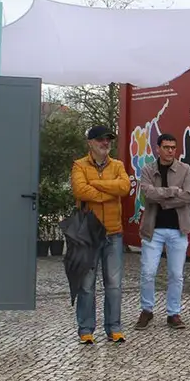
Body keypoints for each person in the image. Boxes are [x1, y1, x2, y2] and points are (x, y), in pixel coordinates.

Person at [71, 125, 132, 344]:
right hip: (87, 234)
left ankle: (114, 328)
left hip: (114, 233)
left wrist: (95, 184)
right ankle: (86, 329)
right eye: (100, 140)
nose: (105, 143)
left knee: (114, 284)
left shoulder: (118, 165)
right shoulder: (79, 165)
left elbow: (124, 188)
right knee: (86, 285)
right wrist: (109, 191)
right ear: (90, 143)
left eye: (108, 140)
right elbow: (80, 191)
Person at [135, 133, 190, 330]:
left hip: (179, 230)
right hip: (153, 229)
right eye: (167, 147)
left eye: (173, 147)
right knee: (147, 272)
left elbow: (189, 197)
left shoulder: (185, 169)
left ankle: (173, 313)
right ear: (158, 148)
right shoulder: (147, 169)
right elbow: (147, 194)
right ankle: (147, 310)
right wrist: (172, 191)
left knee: (176, 274)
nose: (170, 150)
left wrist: (162, 200)